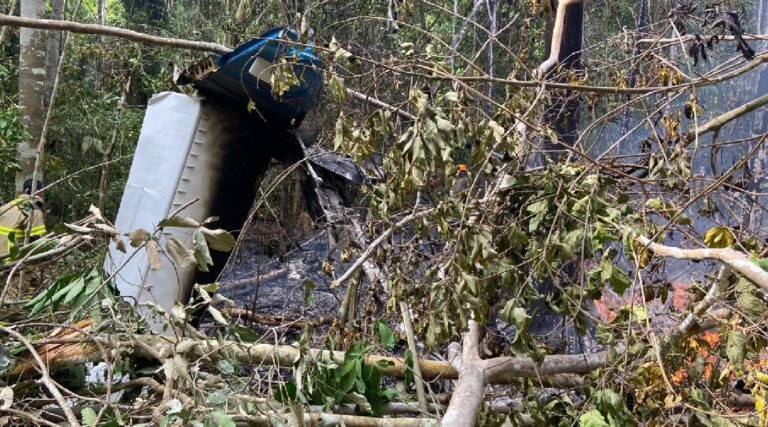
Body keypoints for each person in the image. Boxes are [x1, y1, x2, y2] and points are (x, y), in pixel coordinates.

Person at [0, 179, 47, 259]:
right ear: (39, 192)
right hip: (13, 260)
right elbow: (37, 241)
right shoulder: (34, 212)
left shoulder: (6, 207)